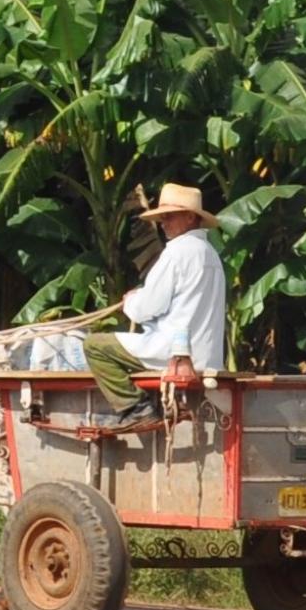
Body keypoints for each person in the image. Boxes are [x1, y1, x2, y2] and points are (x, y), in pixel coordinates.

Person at [83, 183, 228, 428]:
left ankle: (135, 407)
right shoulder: (210, 253)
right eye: (162, 218)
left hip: (173, 352)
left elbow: (146, 308)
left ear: (190, 216)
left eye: (169, 217)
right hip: (207, 355)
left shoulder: (177, 252)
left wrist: (131, 301)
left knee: (94, 345)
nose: (163, 223)